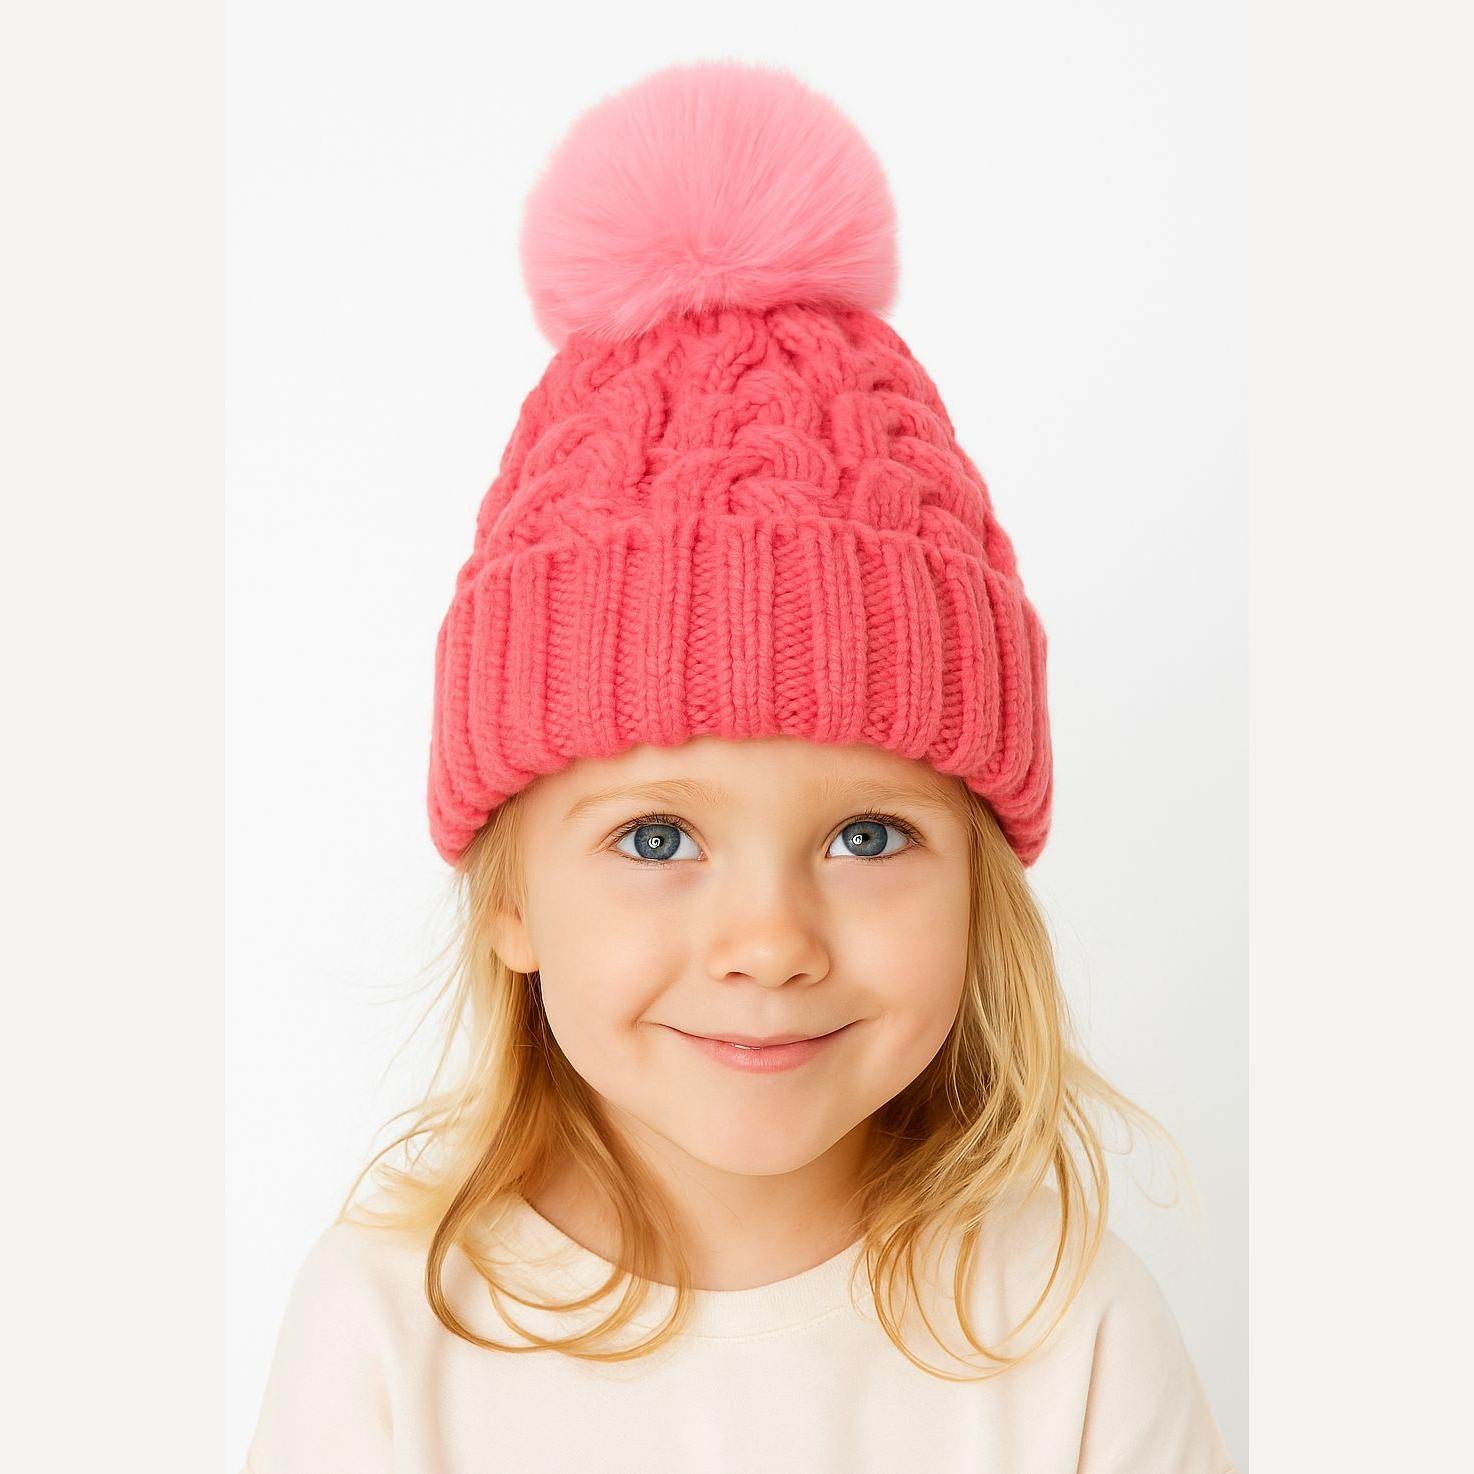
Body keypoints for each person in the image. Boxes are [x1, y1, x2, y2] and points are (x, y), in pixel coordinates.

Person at [239, 59, 1235, 1474]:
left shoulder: (1066, 1330)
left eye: (868, 836)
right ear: (509, 894)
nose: (768, 941)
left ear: (979, 876)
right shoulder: (393, 1323)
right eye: (655, 837)